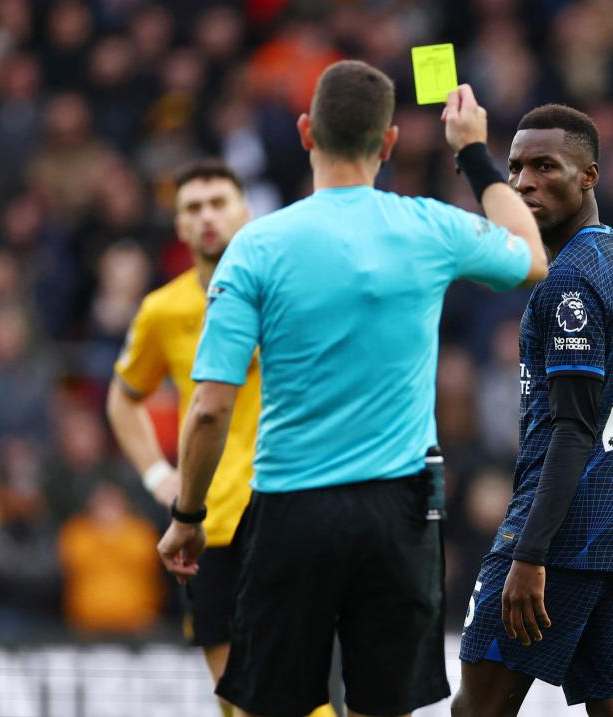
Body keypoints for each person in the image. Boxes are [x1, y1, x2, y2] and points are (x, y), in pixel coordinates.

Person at [156, 60, 547, 717]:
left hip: (290, 506)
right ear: (388, 143)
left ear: (306, 132)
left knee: (271, 707)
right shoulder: (429, 226)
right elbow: (532, 256)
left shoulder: (255, 247)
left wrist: (188, 516)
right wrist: (473, 151)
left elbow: (210, 407)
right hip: (398, 510)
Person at [453, 104, 613, 717]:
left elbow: (574, 430)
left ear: (589, 175)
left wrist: (530, 552)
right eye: (516, 168)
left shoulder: (569, 281)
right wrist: (473, 156)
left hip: (564, 537)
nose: (525, 182)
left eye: (545, 167)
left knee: (476, 711)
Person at [106, 159, 334, 717]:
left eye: (217, 203)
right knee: (235, 701)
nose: (207, 216)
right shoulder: (163, 311)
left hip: (290, 510)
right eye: (193, 208)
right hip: (206, 524)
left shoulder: (293, 291)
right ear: (179, 226)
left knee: (291, 690)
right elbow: (122, 397)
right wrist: (159, 476)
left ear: (245, 212)